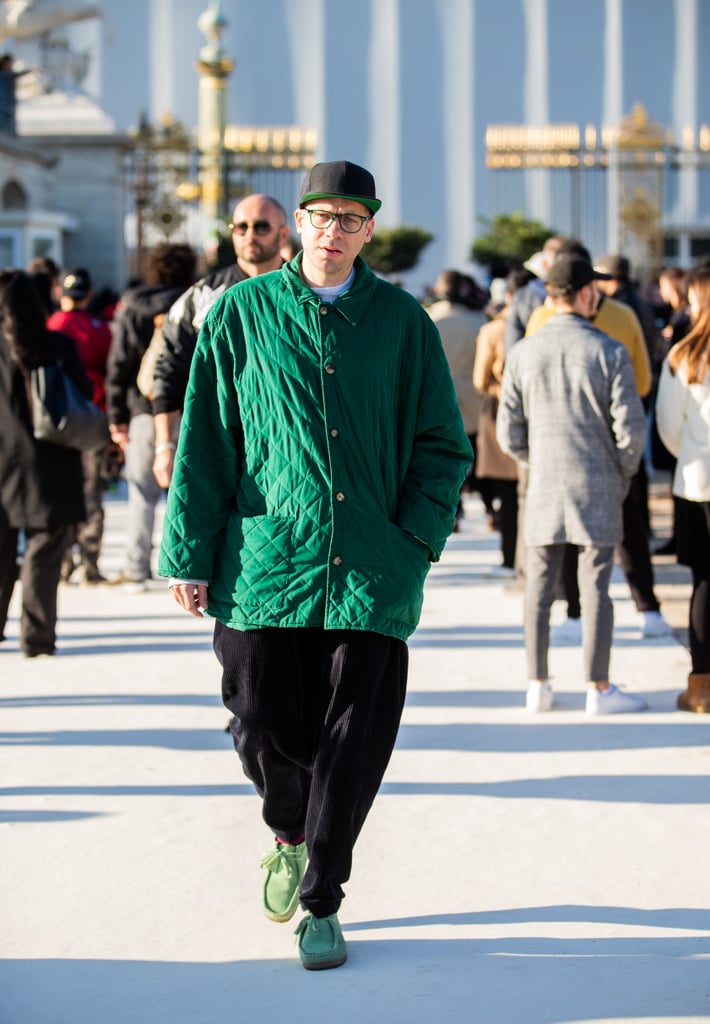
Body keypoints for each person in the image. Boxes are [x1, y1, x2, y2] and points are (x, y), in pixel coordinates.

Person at [158, 160, 471, 970]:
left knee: (354, 738)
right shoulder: (241, 314)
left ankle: (324, 898)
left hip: (371, 565)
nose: (335, 231)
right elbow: (205, 441)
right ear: (301, 223)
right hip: (265, 560)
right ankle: (288, 828)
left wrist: (416, 539)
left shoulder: (404, 322)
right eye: (322, 216)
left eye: (352, 218)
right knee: (260, 718)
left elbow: (443, 445)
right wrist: (189, 551)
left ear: (370, 229)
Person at [497, 254, 648, 715]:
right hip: (598, 480)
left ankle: (537, 683)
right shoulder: (609, 351)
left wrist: (536, 461)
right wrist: (619, 471)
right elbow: (631, 431)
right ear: (586, 293)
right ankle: (598, 686)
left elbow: (509, 433)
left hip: (543, 479)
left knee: (539, 590)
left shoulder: (523, 352)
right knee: (597, 586)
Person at [527, 244, 672, 641]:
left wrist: (533, 457)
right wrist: (623, 462)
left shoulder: (540, 319)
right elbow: (643, 381)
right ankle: (648, 608)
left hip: (554, 453)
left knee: (567, 539)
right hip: (612, 447)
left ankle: (572, 614)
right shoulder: (622, 317)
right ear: (588, 288)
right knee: (630, 529)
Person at [151, 193, 289, 488]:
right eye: (241, 227)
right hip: (214, 440)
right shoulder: (203, 296)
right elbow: (168, 371)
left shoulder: (306, 293)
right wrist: (164, 445)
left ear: (284, 232)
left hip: (288, 445)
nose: (250, 234)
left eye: (261, 226)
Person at [0, 270, 89, 656]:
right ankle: (36, 637)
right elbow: (82, 396)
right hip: (50, 461)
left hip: (3, 460)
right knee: (44, 550)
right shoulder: (57, 345)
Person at [106, 243, 197, 589]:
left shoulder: (134, 306)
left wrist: (117, 415)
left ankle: (136, 566)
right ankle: (185, 566)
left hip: (144, 408)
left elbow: (119, 364)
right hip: (191, 408)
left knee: (142, 491)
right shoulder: (197, 299)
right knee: (188, 490)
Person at [655, 266, 710, 713]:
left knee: (704, 583)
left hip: (698, 481)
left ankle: (702, 686)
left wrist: (690, 451)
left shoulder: (684, 356)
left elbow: (669, 427)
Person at [47, 268, 112, 584]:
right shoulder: (99, 330)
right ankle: (90, 565)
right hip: (92, 423)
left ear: (61, 293)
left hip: (53, 426)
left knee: (58, 493)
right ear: (88, 294)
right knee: (90, 494)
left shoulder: (49, 327)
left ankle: (62, 562)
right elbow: (112, 376)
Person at [472, 270, 528, 574]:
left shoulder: (494, 330)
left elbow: (481, 378)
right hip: (536, 412)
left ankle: (509, 558)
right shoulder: (539, 321)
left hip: (500, 408)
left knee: (507, 492)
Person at [427, 269, 489, 529]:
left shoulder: (429, 318)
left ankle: (454, 508)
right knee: (474, 452)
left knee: (443, 456)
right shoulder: (478, 320)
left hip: (438, 394)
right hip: (473, 393)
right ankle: (488, 505)